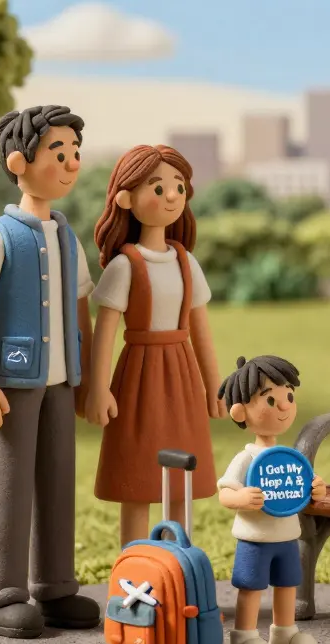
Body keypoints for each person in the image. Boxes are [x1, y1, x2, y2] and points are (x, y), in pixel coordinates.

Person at [0, 105, 101, 639]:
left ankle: (55, 585)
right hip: (12, 383)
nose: (71, 163)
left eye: (75, 154)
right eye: (59, 153)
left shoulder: (66, 235)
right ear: (19, 161)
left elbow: (80, 303)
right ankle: (1, 594)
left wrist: (82, 375)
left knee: (59, 480)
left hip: (60, 382)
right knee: (11, 483)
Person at [85, 145, 224, 548]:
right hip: (138, 375)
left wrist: (214, 384)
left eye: (178, 187)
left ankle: (180, 565)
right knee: (137, 478)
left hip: (181, 375)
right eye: (158, 187)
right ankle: (131, 570)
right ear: (125, 198)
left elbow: (201, 329)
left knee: (181, 481)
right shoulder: (124, 265)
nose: (171, 196)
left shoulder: (186, 262)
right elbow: (105, 331)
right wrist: (98, 389)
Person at [215, 355, 326, 644]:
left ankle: (284, 632)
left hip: (287, 535)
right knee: (251, 587)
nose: (285, 405)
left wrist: (316, 488)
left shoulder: (286, 457)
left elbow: (302, 483)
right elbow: (225, 493)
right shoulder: (246, 458)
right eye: (271, 399)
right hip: (255, 538)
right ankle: (245, 635)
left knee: (288, 583)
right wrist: (241, 500)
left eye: (289, 396)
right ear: (240, 412)